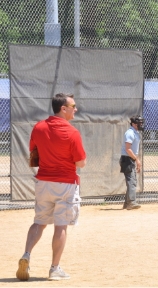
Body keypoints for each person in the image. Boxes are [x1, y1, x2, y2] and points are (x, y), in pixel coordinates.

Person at [16, 93, 86, 281]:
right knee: (60, 226)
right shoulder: (72, 132)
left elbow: (34, 152)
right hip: (65, 183)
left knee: (39, 222)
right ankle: (54, 268)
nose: (75, 109)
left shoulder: (39, 127)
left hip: (43, 182)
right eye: (73, 106)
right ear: (63, 109)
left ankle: (26, 255)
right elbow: (80, 163)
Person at [120, 115, 144, 210]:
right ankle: (131, 202)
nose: (141, 124)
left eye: (141, 123)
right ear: (134, 124)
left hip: (130, 159)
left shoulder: (135, 133)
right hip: (127, 159)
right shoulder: (130, 133)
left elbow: (133, 150)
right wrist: (137, 160)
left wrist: (136, 161)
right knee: (132, 181)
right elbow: (128, 149)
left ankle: (127, 203)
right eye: (139, 123)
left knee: (132, 181)